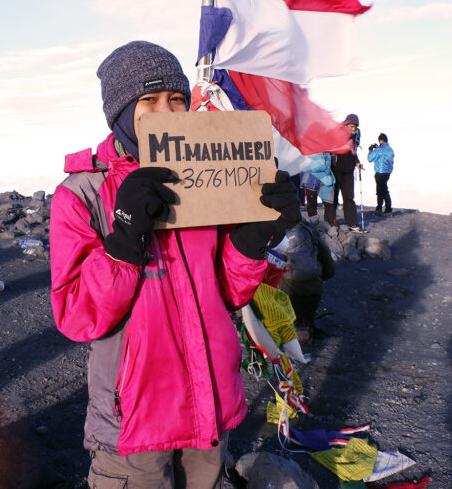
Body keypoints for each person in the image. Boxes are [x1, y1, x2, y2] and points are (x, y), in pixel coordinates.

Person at [49, 40, 300, 489]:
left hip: (210, 407)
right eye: (148, 100)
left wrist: (254, 236)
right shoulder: (82, 194)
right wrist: (124, 237)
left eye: (176, 98)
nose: (166, 111)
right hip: (134, 423)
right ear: (121, 111)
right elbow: (76, 316)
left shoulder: (204, 178)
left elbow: (227, 292)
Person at [271, 220, 335, 344]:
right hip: (312, 286)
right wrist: (323, 277)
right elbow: (327, 260)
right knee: (307, 298)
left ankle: (289, 325)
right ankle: (305, 324)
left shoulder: (267, 226)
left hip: (284, 287)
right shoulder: (306, 227)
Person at [330, 113, 364, 232]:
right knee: (333, 196)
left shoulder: (354, 137)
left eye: (355, 127)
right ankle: (330, 221)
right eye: (351, 126)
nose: (353, 129)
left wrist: (357, 162)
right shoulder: (336, 134)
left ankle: (352, 224)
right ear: (346, 124)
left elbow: (353, 153)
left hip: (349, 171)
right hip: (336, 169)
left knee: (349, 197)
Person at [300, 152, 335, 225]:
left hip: (326, 177)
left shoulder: (326, 149)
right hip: (312, 176)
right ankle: (313, 222)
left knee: (329, 200)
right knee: (312, 201)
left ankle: (330, 223)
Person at [368, 132, 394, 216]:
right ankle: (381, 208)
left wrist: (371, 150)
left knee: (382, 190)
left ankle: (386, 210)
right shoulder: (390, 149)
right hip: (387, 172)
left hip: (380, 172)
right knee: (382, 189)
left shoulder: (379, 150)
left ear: (380, 140)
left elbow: (370, 159)